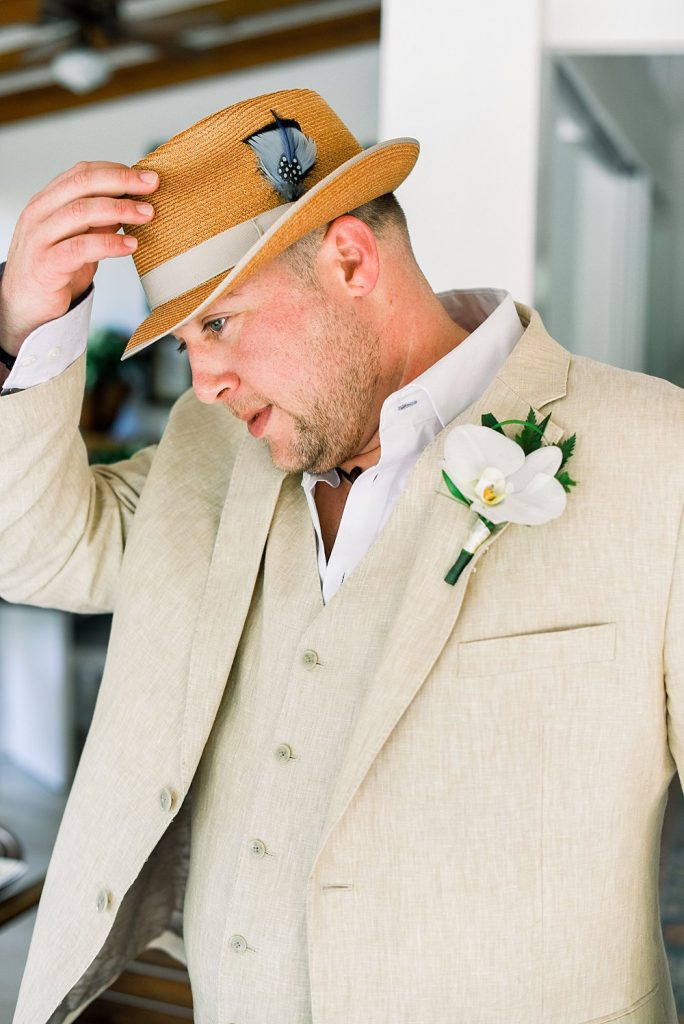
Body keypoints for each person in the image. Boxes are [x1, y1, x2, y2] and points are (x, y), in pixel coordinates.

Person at [0, 87, 682, 1024]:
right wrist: (25, 322)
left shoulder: (660, 454)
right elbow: (31, 548)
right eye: (185, 339)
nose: (202, 383)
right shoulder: (211, 454)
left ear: (352, 260)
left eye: (219, 323)